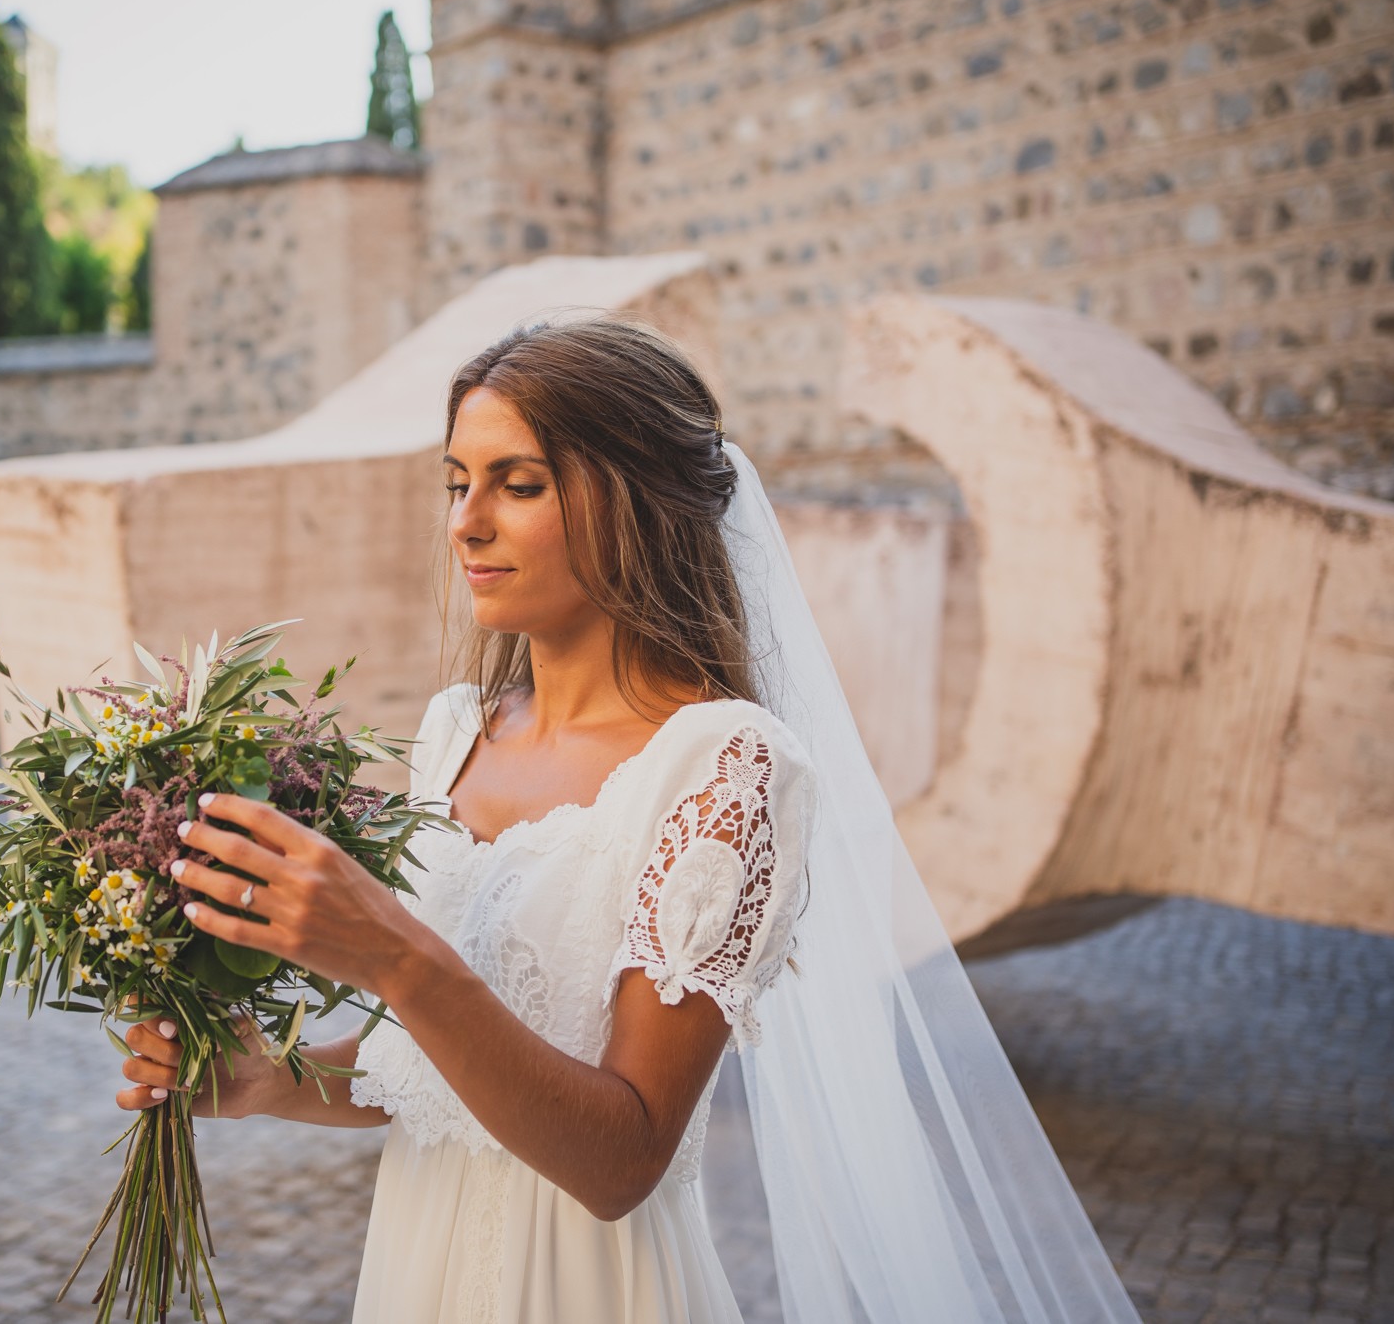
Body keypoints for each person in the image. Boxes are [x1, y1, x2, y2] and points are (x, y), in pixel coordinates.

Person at [110, 313, 1142, 1323]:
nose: (466, 520)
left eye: (518, 485)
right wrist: (265, 1078)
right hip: (414, 1275)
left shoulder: (725, 766)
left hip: (589, 1288)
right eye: (456, 482)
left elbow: (620, 1159)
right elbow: (436, 1081)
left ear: (638, 504)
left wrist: (393, 954)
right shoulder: (453, 730)